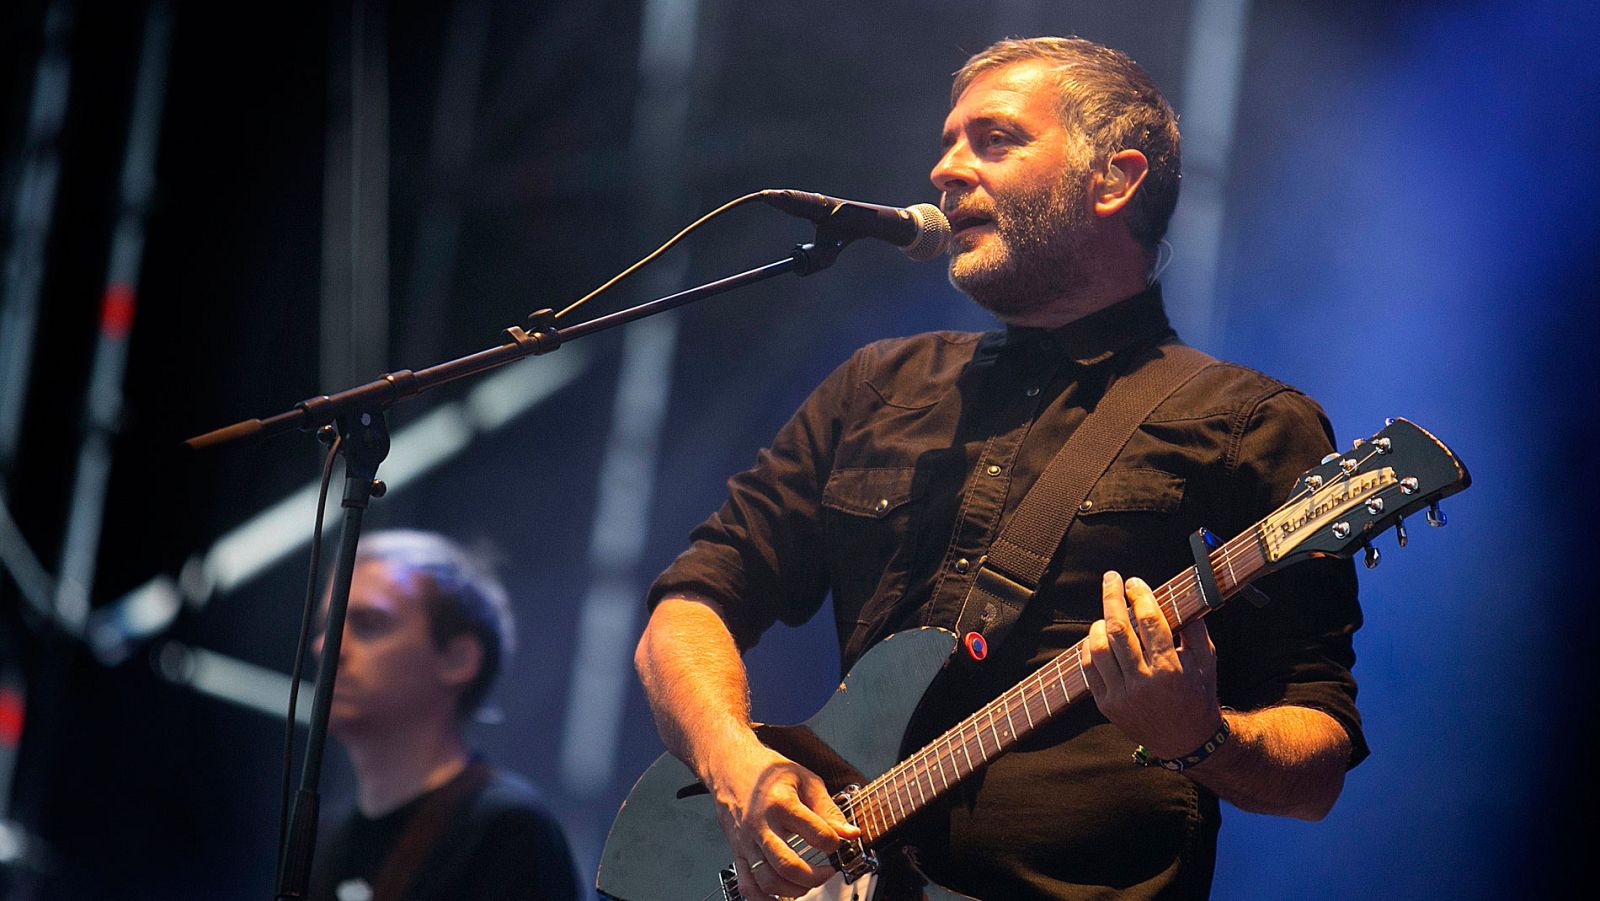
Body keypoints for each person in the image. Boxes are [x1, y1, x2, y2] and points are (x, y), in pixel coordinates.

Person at [634, 36, 1366, 900]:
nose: (945, 170)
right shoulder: (877, 387)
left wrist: (1198, 736)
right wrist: (734, 761)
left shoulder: (1246, 423)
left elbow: (1315, 757)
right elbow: (688, 606)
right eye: (946, 141)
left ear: (1114, 179)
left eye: (994, 140)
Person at [308, 530, 579, 901]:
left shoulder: (506, 830)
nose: (324, 646)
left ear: (458, 659)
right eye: (327, 626)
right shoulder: (325, 838)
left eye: (368, 624)